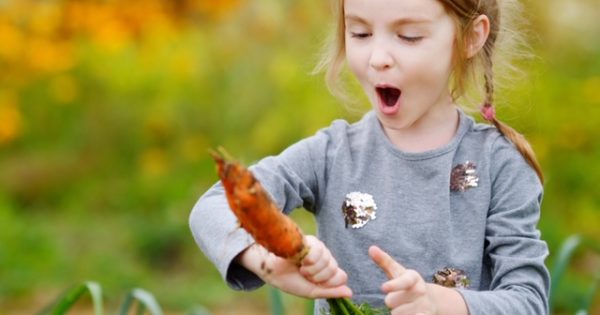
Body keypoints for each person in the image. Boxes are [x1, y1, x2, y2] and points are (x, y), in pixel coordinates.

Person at [189, 0, 550, 314]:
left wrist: (442, 304)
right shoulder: (332, 155)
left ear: (471, 37)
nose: (378, 59)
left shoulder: (499, 164)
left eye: (408, 36)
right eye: (360, 33)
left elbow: (529, 301)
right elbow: (214, 206)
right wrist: (268, 260)